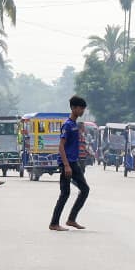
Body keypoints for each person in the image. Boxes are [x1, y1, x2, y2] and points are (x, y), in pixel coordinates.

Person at [50, 96, 90, 232]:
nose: (82, 110)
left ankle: (71, 219)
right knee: (65, 192)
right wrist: (66, 165)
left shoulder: (74, 125)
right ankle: (54, 223)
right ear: (73, 108)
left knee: (84, 189)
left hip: (74, 162)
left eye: (83, 108)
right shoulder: (67, 125)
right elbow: (61, 146)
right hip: (67, 163)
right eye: (80, 108)